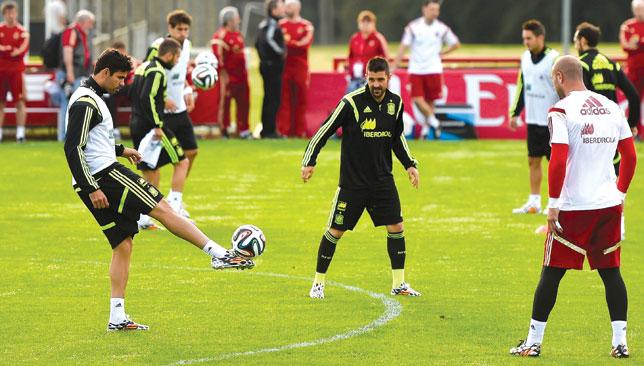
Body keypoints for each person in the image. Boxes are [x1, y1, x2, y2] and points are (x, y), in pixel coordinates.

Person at [63, 49, 253, 331]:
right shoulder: (87, 101)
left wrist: (120, 149)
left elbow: (89, 139)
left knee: (122, 244)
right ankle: (220, 254)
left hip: (95, 176)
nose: (122, 83)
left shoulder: (89, 97)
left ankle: (117, 317)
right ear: (104, 73)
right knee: (163, 208)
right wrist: (93, 187)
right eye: (119, 77)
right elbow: (73, 147)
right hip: (105, 177)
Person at [510, 56, 637, 358]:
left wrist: (552, 204)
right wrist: (619, 194)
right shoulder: (611, 107)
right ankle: (620, 342)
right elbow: (630, 158)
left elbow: (558, 159)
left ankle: (533, 341)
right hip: (607, 205)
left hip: (573, 207)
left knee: (551, 274)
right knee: (611, 273)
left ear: (558, 77)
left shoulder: (560, 110)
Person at [301, 57, 421, 299]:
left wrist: (409, 164)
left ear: (388, 78)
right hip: (353, 184)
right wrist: (309, 160)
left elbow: (397, 138)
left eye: (381, 79)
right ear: (366, 77)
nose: (376, 84)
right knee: (335, 230)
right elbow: (325, 130)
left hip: (382, 182)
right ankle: (318, 283)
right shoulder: (351, 102)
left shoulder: (395, 103)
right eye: (372, 79)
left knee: (396, 227)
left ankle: (399, 284)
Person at [575, 22, 640, 240]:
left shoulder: (580, 64)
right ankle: (617, 228)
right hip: (612, 131)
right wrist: (631, 124)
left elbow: (579, 100)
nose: (576, 43)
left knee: (588, 178)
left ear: (583, 41)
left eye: (576, 39)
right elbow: (632, 94)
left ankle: (586, 228)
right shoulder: (610, 63)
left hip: (590, 132)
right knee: (613, 180)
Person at [131, 38, 190, 230]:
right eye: (177, 56)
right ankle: (175, 208)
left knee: (151, 172)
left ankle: (142, 218)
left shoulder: (144, 67)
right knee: (182, 162)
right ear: (169, 54)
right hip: (151, 127)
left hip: (137, 124)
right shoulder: (157, 70)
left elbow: (133, 93)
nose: (178, 60)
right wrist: (157, 124)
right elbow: (147, 97)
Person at [144, 10, 198, 219]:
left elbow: (181, 73)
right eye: (179, 29)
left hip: (180, 111)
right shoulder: (158, 46)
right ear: (170, 29)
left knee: (191, 152)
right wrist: (162, 96)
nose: (183, 33)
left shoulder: (188, 45)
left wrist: (187, 91)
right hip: (162, 113)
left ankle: (175, 197)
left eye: (186, 29)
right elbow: (147, 71)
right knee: (155, 164)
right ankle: (156, 208)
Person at [508, 19, 560, 215]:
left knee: (555, 164)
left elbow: (563, 89)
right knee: (533, 161)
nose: (526, 42)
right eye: (524, 38)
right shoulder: (524, 58)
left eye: (529, 38)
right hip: (533, 120)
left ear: (540, 37)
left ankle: (556, 202)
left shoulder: (554, 58)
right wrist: (515, 112)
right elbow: (522, 85)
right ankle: (534, 202)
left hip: (552, 122)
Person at [392, 0, 460, 140]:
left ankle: (426, 130)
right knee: (417, 99)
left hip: (434, 69)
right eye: (432, 9)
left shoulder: (441, 28)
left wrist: (443, 53)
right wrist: (394, 65)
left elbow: (455, 44)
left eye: (436, 10)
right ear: (424, 9)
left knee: (430, 101)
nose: (434, 13)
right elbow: (403, 47)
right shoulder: (414, 27)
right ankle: (434, 123)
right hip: (416, 69)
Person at [212, 6, 251, 138]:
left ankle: (244, 130)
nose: (238, 20)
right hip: (228, 78)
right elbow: (218, 58)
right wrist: (224, 76)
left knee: (244, 103)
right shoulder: (220, 36)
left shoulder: (239, 35)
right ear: (229, 21)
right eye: (236, 18)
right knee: (225, 104)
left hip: (242, 77)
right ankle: (224, 130)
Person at [276, 0, 314, 138]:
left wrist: (289, 45)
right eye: (285, 6)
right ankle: (283, 131)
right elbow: (279, 45)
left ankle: (300, 131)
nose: (286, 9)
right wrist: (294, 45)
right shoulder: (280, 25)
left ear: (297, 8)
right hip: (284, 67)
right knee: (284, 100)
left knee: (301, 99)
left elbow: (304, 45)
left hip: (300, 68)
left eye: (289, 6)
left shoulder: (307, 26)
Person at [57, 9, 95, 142]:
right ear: (84, 21)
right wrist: (70, 72)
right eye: (90, 22)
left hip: (79, 73)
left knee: (73, 103)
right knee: (67, 103)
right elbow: (68, 51)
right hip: (72, 74)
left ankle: (70, 135)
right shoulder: (72, 31)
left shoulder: (81, 33)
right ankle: (64, 136)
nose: (91, 26)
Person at [256, 0, 286, 139]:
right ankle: (269, 131)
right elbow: (268, 40)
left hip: (266, 65)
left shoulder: (264, 24)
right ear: (273, 10)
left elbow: (257, 43)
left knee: (269, 98)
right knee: (273, 98)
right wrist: (281, 52)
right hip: (272, 66)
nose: (284, 9)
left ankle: (267, 129)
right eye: (281, 7)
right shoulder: (272, 24)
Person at [0, 1, 29, 143]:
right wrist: (8, 50)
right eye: (8, 13)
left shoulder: (23, 32)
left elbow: (19, 51)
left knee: (20, 102)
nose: (11, 16)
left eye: (13, 12)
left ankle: (20, 134)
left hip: (16, 72)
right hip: (1, 71)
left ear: (16, 13)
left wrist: (6, 50)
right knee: (0, 102)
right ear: (4, 14)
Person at [346, 10, 389, 93]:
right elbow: (350, 57)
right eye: (363, 22)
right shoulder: (354, 38)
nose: (365, 25)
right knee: (350, 99)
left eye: (368, 22)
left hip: (372, 78)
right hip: (355, 77)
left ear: (373, 24)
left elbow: (385, 58)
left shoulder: (378, 38)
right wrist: (350, 71)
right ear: (359, 24)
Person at [620, 0, 644, 124]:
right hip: (634, 69)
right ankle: (634, 126)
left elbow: (633, 45)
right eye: (637, 9)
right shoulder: (627, 26)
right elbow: (625, 46)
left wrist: (637, 43)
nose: (639, 12)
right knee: (634, 98)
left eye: (641, 9)